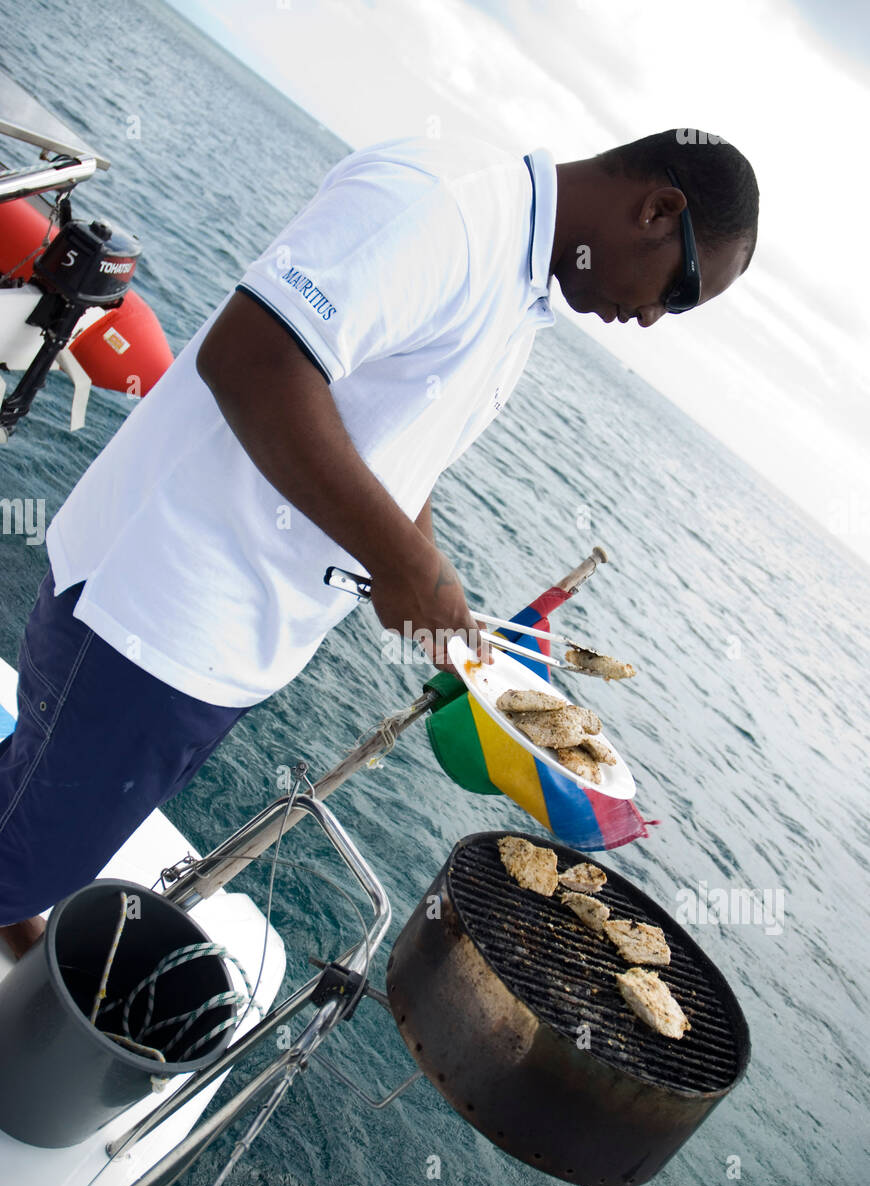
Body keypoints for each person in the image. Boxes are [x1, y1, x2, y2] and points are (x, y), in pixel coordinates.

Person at [0, 127, 759, 957]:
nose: (653, 319)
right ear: (658, 208)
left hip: (223, 642)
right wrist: (405, 567)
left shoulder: (521, 282)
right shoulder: (448, 210)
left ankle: (20, 882)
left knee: (42, 817)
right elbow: (252, 358)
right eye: (679, 292)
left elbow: (393, 439)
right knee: (34, 850)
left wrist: (441, 601)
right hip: (152, 612)